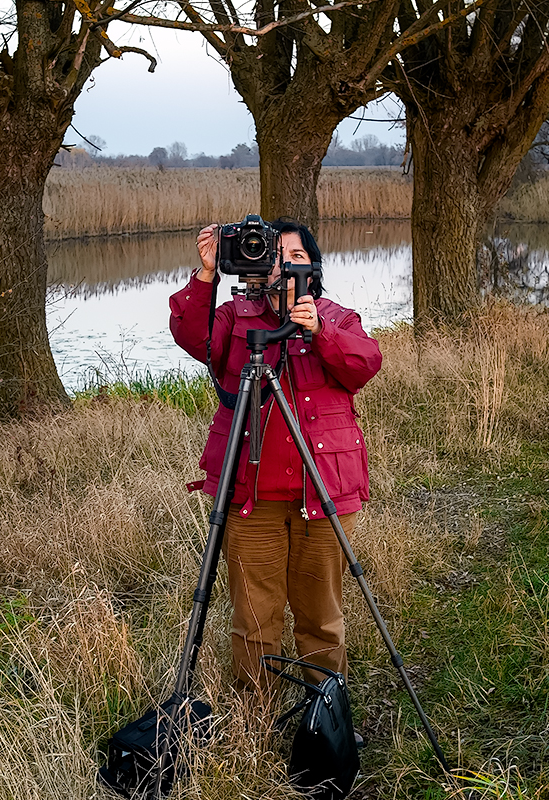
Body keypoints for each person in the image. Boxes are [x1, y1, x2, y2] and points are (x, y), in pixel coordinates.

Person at [169, 218, 382, 689]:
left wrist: (318, 329)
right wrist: (207, 274)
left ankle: (324, 717)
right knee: (254, 621)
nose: (286, 265)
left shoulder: (337, 316)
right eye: (276, 255)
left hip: (322, 492)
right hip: (251, 497)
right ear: (259, 265)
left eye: (297, 257)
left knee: (321, 618)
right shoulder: (234, 317)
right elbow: (192, 338)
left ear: (315, 268)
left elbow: (365, 363)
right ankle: (257, 722)